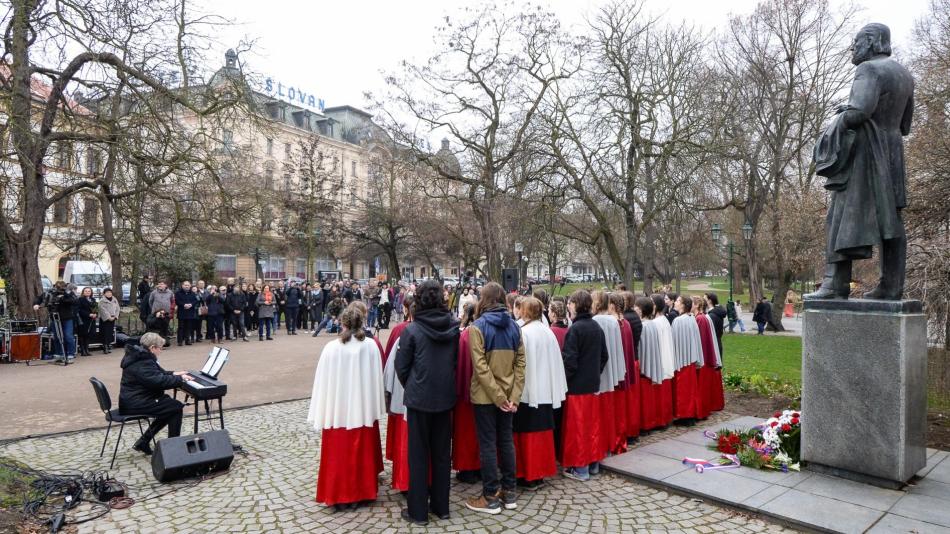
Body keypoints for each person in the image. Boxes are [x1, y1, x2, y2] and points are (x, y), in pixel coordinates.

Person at [307, 305, 385, 511]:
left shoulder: (331, 348)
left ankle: (338, 494)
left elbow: (322, 383)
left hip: (337, 410)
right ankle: (362, 491)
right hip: (362, 410)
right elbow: (377, 379)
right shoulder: (370, 346)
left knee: (338, 453)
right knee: (360, 452)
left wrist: (325, 408)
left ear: (341, 323)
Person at [394, 280, 459, 525]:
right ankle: (442, 507)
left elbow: (402, 367)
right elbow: (454, 362)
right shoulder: (453, 328)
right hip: (444, 397)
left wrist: (414, 385)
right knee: (442, 455)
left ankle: (418, 512)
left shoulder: (412, 330)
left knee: (419, 455)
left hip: (420, 398)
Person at [465, 282, 525, 514]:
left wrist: (501, 397)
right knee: (506, 441)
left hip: (486, 397)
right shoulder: (514, 326)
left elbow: (480, 369)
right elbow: (521, 364)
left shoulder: (477, 328)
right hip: (508, 395)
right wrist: (513, 396)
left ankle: (490, 495)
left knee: (489, 444)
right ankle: (509, 492)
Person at [513, 297, 567, 491]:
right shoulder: (547, 332)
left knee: (528, 434)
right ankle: (540, 474)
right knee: (542, 433)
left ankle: (527, 475)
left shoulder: (524, 333)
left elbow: (520, 365)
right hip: (546, 389)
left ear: (525, 312)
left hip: (529, 390)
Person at [560, 290, 609, 482]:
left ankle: (581, 469)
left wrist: (566, 380)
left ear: (577, 305)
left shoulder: (576, 329)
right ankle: (593, 464)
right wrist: (594, 373)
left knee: (578, 429)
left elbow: (570, 361)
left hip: (577, 387)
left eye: (571, 302)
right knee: (591, 427)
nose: (569, 306)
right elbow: (604, 356)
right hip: (592, 385)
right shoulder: (595, 326)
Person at [119, 332, 192, 455]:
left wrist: (174, 373)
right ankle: (173, 448)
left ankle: (144, 441)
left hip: (133, 399)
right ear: (152, 348)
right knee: (175, 407)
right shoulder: (143, 361)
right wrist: (181, 379)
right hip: (136, 402)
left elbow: (157, 374)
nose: (161, 351)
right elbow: (157, 381)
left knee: (168, 405)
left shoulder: (140, 356)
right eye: (160, 348)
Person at [382, 296, 414, 493]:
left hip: (403, 392)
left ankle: (403, 478)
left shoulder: (401, 330)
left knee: (403, 436)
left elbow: (389, 362)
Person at [590, 291, 626, 455]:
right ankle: (609, 445)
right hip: (610, 371)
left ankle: (600, 446)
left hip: (597, 372)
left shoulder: (595, 321)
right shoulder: (613, 321)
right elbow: (618, 349)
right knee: (608, 413)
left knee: (597, 416)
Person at [637, 296, 675, 431]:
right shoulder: (661, 320)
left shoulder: (658, 322)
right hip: (664, 359)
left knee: (658, 397)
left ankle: (659, 419)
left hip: (660, 360)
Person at [452, 303, 481, 484]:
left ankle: (468, 468)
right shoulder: (481, 332)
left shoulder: (465, 335)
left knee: (466, 432)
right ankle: (480, 467)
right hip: (485, 391)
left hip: (465, 391)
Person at [610, 293, 640, 443]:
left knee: (620, 406)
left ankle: (621, 435)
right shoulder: (624, 323)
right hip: (627, 368)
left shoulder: (618, 324)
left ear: (613, 306)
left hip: (620, 371)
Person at [670, 296, 704, 423]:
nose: (676, 302)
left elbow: (674, 341)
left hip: (682, 360)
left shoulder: (679, 321)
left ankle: (685, 415)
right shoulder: (691, 318)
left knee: (683, 390)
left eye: (678, 301)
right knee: (690, 389)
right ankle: (691, 413)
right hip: (690, 359)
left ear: (683, 305)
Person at [694, 297, 724, 418]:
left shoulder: (701, 318)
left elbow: (701, 339)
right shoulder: (704, 317)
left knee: (703, 386)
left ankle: (703, 409)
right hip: (708, 354)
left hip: (704, 357)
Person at [33, 281, 78, 360]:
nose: (59, 289)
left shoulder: (68, 293)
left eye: (61, 287)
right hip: (54, 317)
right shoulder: (51, 292)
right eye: (58, 287)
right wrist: (36, 304)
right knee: (57, 336)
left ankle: (71, 353)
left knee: (68, 336)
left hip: (67, 318)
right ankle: (59, 353)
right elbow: (40, 298)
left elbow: (74, 301)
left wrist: (65, 296)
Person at [76, 287, 98, 356]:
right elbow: (79, 310)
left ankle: (87, 349)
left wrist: (95, 314)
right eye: (86, 291)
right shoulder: (80, 300)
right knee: (83, 335)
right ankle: (83, 350)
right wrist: (89, 314)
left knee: (89, 335)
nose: (87, 292)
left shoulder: (93, 300)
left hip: (91, 320)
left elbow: (96, 308)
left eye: (89, 291)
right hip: (84, 319)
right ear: (83, 292)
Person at [175, 281, 198, 347]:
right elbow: (177, 301)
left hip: (190, 312)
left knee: (188, 327)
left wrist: (191, 304)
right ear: (182, 285)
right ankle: (180, 341)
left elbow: (195, 301)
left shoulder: (192, 293)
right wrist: (184, 305)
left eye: (188, 285)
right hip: (182, 312)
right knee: (181, 327)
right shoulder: (178, 293)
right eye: (185, 285)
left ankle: (187, 340)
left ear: (190, 286)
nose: (187, 286)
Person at [98, 288, 120, 354]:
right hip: (105, 319)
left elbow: (117, 308)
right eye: (107, 292)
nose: (109, 294)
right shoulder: (102, 301)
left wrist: (115, 316)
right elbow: (102, 310)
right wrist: (108, 317)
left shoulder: (114, 299)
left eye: (110, 292)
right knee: (105, 333)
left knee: (110, 333)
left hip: (113, 318)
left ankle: (108, 344)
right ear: (104, 293)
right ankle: (105, 346)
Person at [704, 293, 727, 358]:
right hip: (716, 342)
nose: (703, 301)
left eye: (704, 299)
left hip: (714, 344)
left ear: (710, 301)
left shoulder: (712, 315)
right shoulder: (716, 312)